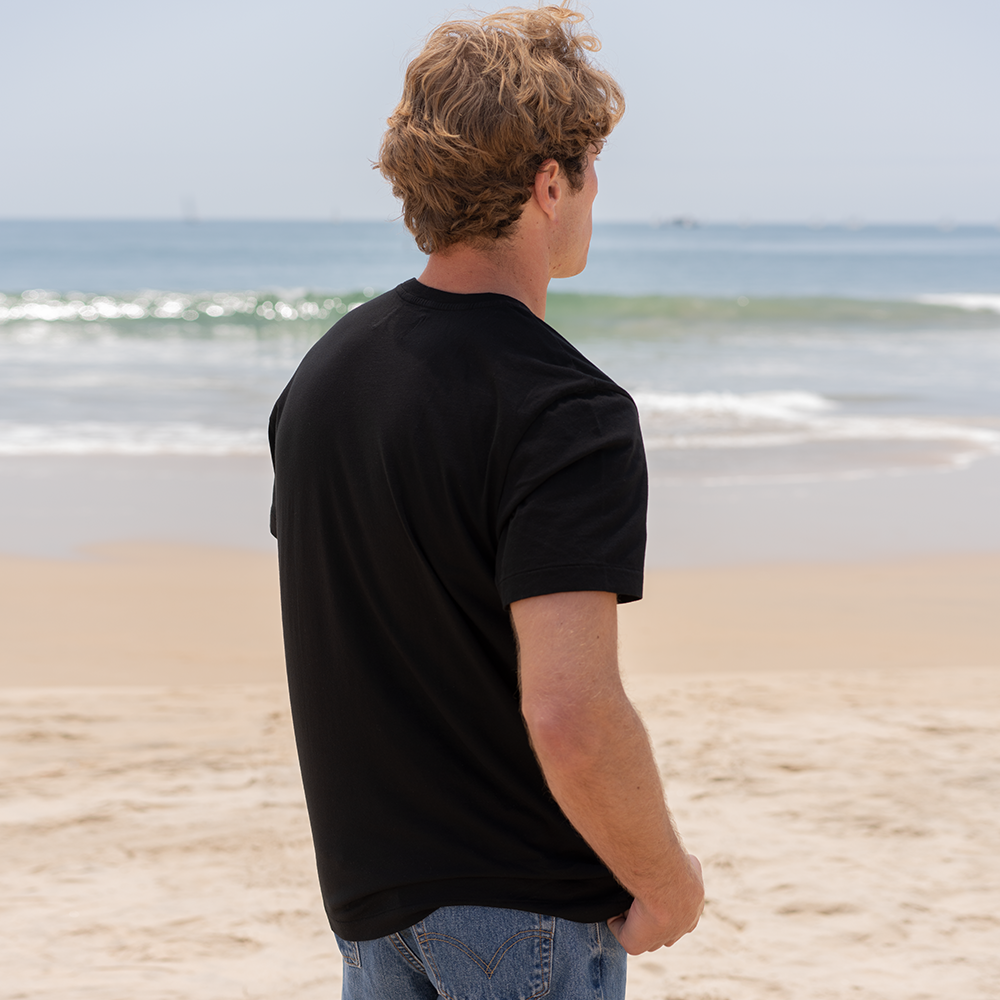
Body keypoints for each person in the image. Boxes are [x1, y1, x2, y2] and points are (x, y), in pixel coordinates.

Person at [268, 6, 704, 998]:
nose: (595, 193)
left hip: (370, 910)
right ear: (550, 183)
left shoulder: (323, 377)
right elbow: (570, 711)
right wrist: (666, 883)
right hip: (525, 911)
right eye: (590, 169)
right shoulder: (566, 407)